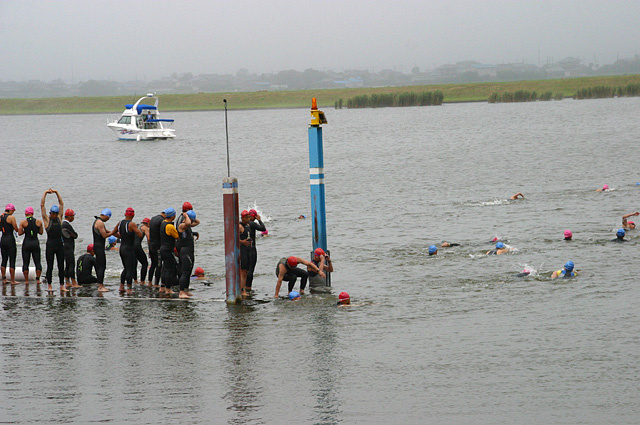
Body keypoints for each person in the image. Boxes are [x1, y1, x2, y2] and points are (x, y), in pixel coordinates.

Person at [113, 207, 144, 293]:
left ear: (125, 214)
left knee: (126, 268)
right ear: (133, 215)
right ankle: (129, 288)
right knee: (130, 268)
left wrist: (122, 236)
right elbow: (140, 235)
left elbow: (114, 232)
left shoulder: (120, 223)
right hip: (129, 249)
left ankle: (122, 286)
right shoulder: (132, 224)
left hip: (122, 248)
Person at [41, 189, 66, 293]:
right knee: (50, 266)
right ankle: (50, 286)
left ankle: (61, 285)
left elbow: (61, 203)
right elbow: (42, 205)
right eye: (53, 213)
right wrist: (45, 193)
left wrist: (56, 193)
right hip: (50, 246)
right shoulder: (47, 220)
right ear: (50, 213)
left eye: (55, 213)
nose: (54, 215)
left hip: (59, 245)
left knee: (61, 266)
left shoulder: (60, 218)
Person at [92, 208, 117, 292]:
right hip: (98, 246)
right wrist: (114, 230)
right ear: (106, 216)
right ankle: (100, 286)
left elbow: (108, 231)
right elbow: (104, 235)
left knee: (101, 266)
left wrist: (117, 234)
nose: (108, 220)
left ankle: (100, 284)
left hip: (98, 246)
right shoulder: (100, 222)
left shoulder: (98, 221)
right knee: (101, 266)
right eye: (108, 218)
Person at [178, 209, 199, 299]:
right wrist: (186, 216)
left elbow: (198, 222)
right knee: (185, 272)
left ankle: (186, 290)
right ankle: (181, 292)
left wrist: (192, 217)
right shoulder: (182, 226)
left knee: (189, 271)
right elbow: (188, 223)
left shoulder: (188, 226)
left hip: (190, 251)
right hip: (185, 251)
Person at [18, 206, 43, 284]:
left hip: (27, 243)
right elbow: (41, 232)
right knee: (37, 262)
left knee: (26, 262)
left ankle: (26, 281)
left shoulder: (23, 222)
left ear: (26, 214)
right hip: (35, 242)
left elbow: (19, 233)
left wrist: (26, 231)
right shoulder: (39, 222)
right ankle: (38, 279)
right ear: (33, 213)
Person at [159, 207, 179, 295]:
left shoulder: (163, 223)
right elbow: (177, 237)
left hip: (162, 248)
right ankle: (168, 289)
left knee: (165, 268)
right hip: (168, 249)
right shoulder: (170, 226)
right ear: (173, 216)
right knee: (169, 269)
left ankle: (162, 287)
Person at [246, 209, 266, 291]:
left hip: (244, 249)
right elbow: (263, 229)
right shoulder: (252, 223)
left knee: (244, 269)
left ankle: (243, 286)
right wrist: (259, 220)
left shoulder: (242, 224)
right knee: (251, 269)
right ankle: (248, 287)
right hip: (252, 249)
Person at [1, 203, 19, 285]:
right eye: (13, 211)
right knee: (12, 260)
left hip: (3, 239)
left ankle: (4, 279)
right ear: (10, 210)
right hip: (10, 239)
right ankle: (12, 280)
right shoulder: (11, 218)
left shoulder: (0, 217)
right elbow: (16, 229)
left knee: (4, 259)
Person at [147, 210, 166, 288]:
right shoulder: (162, 220)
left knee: (153, 264)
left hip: (151, 245)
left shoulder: (153, 218)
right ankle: (156, 284)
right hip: (158, 246)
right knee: (159, 265)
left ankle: (149, 282)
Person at [62, 208, 80, 288]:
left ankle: (67, 282)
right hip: (69, 246)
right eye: (73, 216)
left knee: (67, 264)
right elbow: (75, 235)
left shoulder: (62, 224)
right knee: (71, 264)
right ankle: (74, 282)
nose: (73, 218)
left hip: (63, 246)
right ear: (69, 217)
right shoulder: (67, 225)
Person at [238, 210, 252, 297]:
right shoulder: (240, 226)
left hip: (248, 251)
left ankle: (244, 288)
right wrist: (241, 242)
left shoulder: (248, 225)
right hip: (242, 251)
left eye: (249, 217)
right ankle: (242, 290)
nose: (249, 219)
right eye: (247, 217)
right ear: (243, 218)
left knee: (246, 271)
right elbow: (232, 237)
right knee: (243, 271)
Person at [134, 217, 150, 286]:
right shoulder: (145, 228)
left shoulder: (135, 225)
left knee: (134, 263)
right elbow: (148, 239)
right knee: (145, 263)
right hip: (137, 247)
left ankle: (135, 280)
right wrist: (150, 250)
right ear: (148, 223)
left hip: (130, 247)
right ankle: (142, 281)